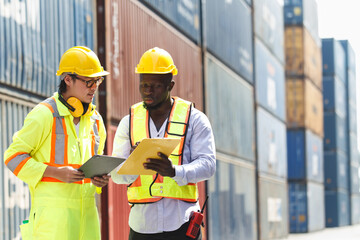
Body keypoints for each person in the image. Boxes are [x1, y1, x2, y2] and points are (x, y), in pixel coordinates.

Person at [4, 46, 110, 240]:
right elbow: (12, 157)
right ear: (67, 79)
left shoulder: (96, 120)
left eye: (98, 80)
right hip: (52, 225)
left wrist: (100, 181)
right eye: (88, 81)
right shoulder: (44, 114)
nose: (94, 87)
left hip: (88, 222)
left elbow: (97, 167)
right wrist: (55, 172)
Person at [111, 47, 216, 240]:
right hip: (142, 226)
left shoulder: (194, 119)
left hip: (182, 224)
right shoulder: (129, 122)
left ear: (170, 85)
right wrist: (134, 162)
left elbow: (209, 166)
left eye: (156, 86)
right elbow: (116, 176)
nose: (148, 91)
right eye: (144, 85)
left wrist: (175, 171)